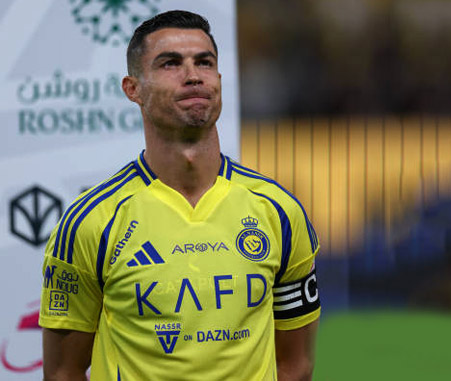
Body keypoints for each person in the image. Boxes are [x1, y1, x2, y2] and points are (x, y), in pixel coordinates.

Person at [40, 10, 320, 381]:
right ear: (132, 88)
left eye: (204, 62)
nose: (193, 76)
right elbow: (64, 372)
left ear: (219, 79)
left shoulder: (279, 212)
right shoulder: (91, 220)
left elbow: (296, 365)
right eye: (170, 63)